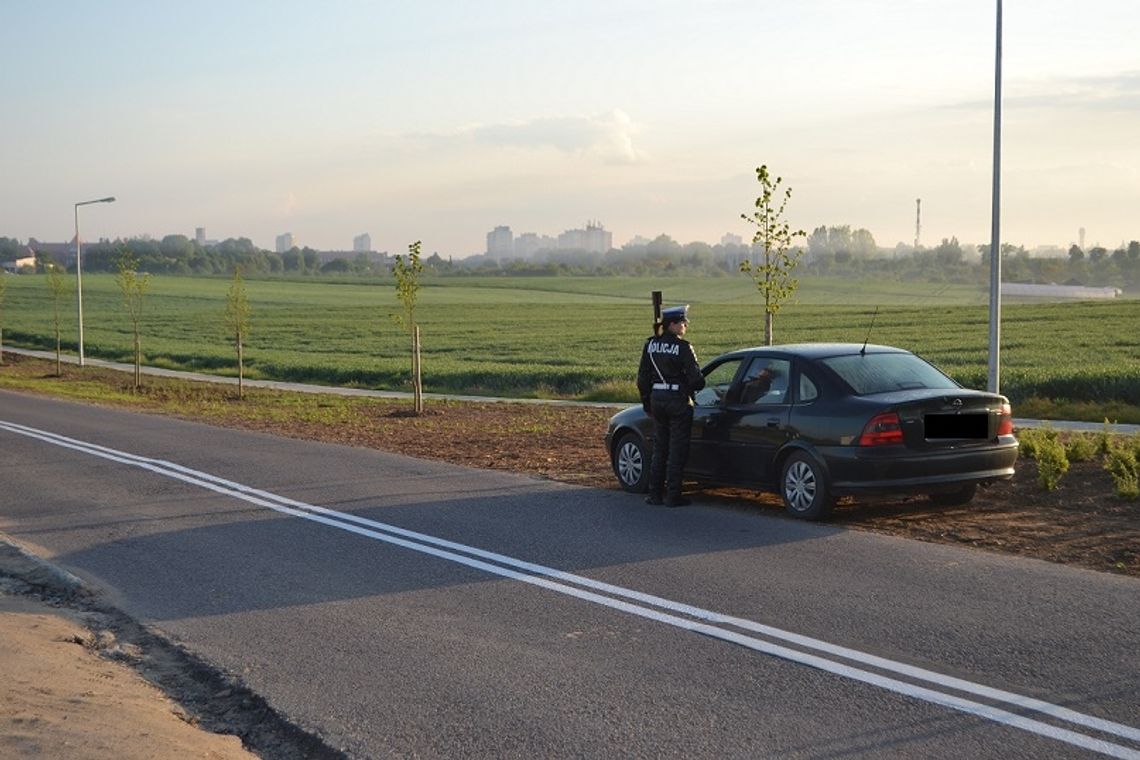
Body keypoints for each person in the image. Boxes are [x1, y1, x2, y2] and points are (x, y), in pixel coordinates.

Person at [636, 304, 706, 507]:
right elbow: (697, 381)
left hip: (657, 399)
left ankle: (654, 494)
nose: (686, 326)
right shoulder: (683, 347)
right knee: (677, 449)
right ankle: (673, 495)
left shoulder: (650, 345)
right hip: (677, 401)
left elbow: (642, 379)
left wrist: (646, 403)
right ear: (672, 324)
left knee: (660, 447)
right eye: (683, 322)